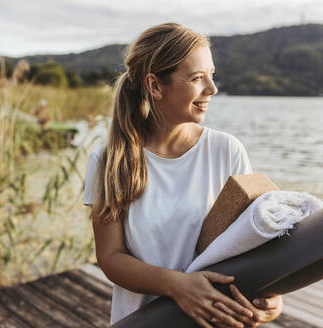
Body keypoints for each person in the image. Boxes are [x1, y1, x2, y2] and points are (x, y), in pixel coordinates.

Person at [83, 22, 283, 327]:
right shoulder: (109, 160)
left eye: (211, 76)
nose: (212, 89)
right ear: (155, 85)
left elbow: (251, 241)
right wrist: (176, 285)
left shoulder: (227, 150)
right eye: (196, 78)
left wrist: (271, 298)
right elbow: (110, 257)